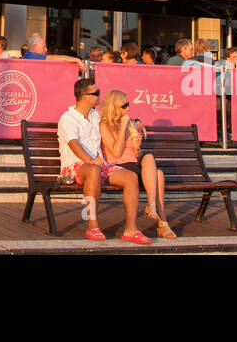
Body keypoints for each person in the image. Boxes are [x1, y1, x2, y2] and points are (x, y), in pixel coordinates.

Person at [56, 78, 148, 244]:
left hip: (98, 165)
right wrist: (90, 160)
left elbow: (116, 117)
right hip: (74, 166)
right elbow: (73, 144)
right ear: (85, 97)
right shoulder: (68, 118)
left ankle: (131, 229)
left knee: (131, 177)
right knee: (93, 170)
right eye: (96, 93)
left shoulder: (95, 115)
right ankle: (92, 226)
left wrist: (138, 123)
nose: (100, 96)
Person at [98, 89, 177, 239]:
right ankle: (163, 223)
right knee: (157, 175)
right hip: (119, 168)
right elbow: (116, 153)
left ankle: (152, 206)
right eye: (124, 106)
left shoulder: (129, 125)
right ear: (114, 106)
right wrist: (123, 129)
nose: (128, 109)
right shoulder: (104, 125)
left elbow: (135, 155)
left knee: (151, 162)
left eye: (128, 105)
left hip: (133, 165)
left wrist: (136, 146)